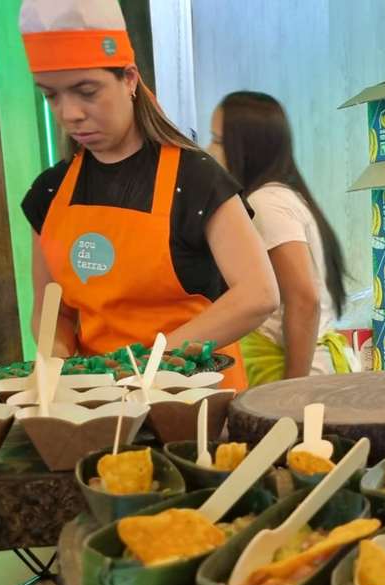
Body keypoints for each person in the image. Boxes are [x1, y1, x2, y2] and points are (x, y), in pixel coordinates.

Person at [19, 0, 278, 391]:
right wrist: (57, 360)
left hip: (195, 398)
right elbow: (51, 308)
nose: (69, 113)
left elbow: (258, 295)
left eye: (87, 91)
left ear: (128, 79)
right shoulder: (50, 192)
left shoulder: (196, 180)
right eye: (51, 96)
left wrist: (146, 364)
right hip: (99, 401)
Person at [209, 91, 350, 385]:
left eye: (218, 141)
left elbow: (304, 300)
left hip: (295, 376)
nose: (208, 150)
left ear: (246, 148)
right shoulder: (278, 197)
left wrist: (290, 389)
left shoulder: (266, 204)